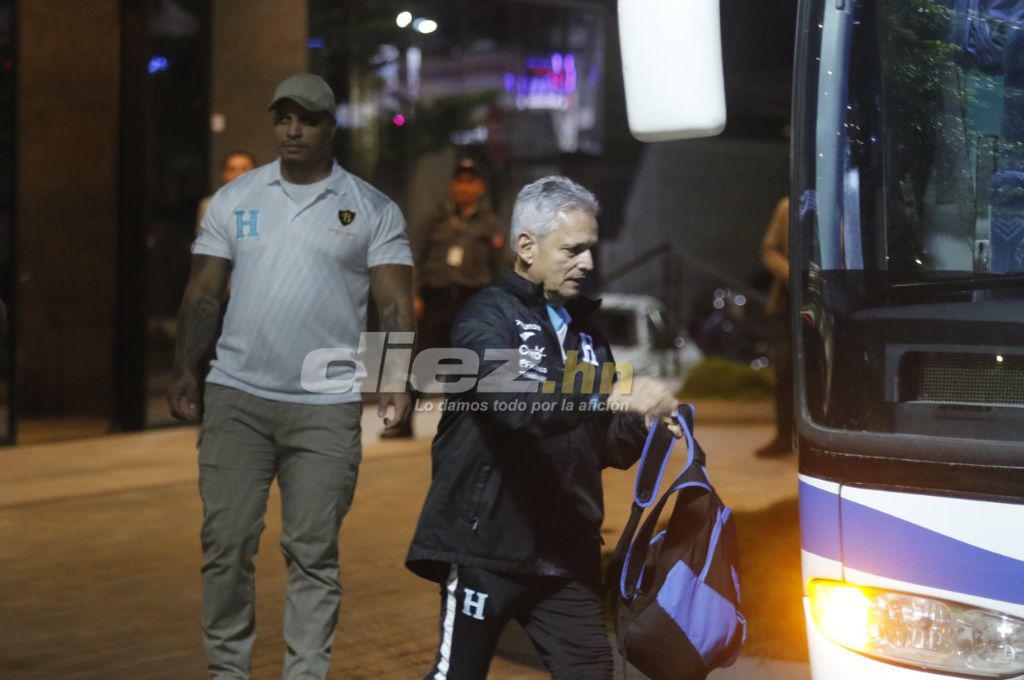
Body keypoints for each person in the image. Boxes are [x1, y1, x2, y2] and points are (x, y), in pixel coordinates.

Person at [166, 73, 414, 680]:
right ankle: (229, 670)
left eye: (306, 119)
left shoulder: (373, 208)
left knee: (312, 555)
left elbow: (396, 302)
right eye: (283, 118)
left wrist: (394, 375)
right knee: (225, 547)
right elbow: (202, 292)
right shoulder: (236, 199)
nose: (292, 130)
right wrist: (185, 369)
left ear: (331, 126)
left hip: (325, 408)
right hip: (237, 399)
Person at [406, 176, 681, 680]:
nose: (588, 264)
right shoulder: (484, 317)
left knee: (593, 673)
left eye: (591, 250)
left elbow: (609, 450)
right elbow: (514, 402)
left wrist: (644, 419)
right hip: (487, 546)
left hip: (565, 553)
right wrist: (606, 393)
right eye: (573, 249)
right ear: (526, 246)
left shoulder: (588, 337)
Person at [383, 159, 506, 438]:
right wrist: (414, 295)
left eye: (470, 182)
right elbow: (415, 258)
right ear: (452, 185)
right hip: (437, 299)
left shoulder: (491, 224)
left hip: (473, 302)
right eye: (459, 181)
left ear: (480, 187)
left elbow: (498, 269)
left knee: (473, 365)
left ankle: (475, 427)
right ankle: (403, 423)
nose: (464, 188)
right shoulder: (435, 219)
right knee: (421, 363)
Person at [756, 196, 794, 457]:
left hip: (834, 298)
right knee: (785, 370)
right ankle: (784, 436)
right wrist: (792, 273)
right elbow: (770, 250)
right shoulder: (788, 207)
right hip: (789, 303)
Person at [196, 150, 256, 231]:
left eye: (244, 169)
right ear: (224, 174)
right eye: (232, 169)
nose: (238, 174)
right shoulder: (210, 205)